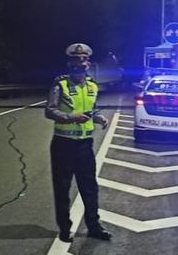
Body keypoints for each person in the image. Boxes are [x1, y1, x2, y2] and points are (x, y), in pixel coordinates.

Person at [45, 43, 112, 243]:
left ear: (88, 63)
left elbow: (92, 109)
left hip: (84, 145)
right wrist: (71, 117)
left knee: (89, 187)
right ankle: (65, 228)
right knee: (62, 188)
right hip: (63, 145)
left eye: (83, 59)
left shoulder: (92, 86)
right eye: (76, 60)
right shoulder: (61, 85)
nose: (80, 63)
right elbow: (49, 110)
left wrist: (99, 118)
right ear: (69, 63)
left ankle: (94, 226)